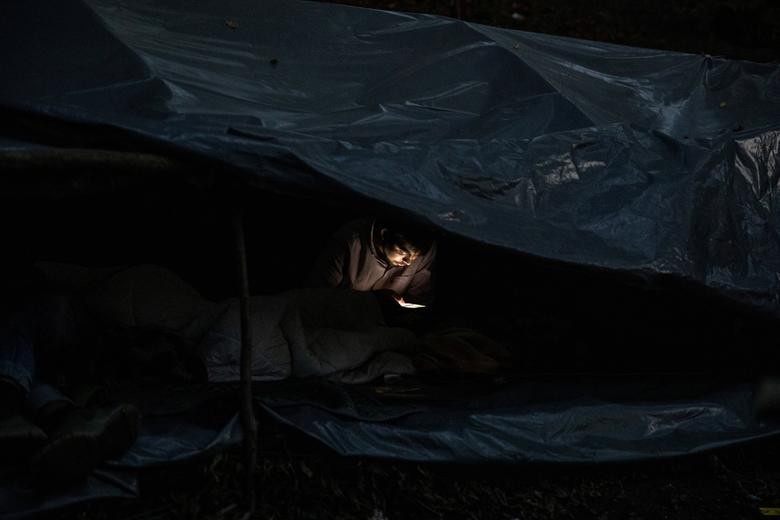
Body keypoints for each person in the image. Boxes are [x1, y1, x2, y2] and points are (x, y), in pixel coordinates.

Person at [308, 217, 437, 307]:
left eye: (414, 257)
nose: (408, 262)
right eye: (403, 252)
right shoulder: (351, 242)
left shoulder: (424, 251)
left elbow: (420, 298)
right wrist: (374, 300)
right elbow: (316, 296)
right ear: (384, 235)